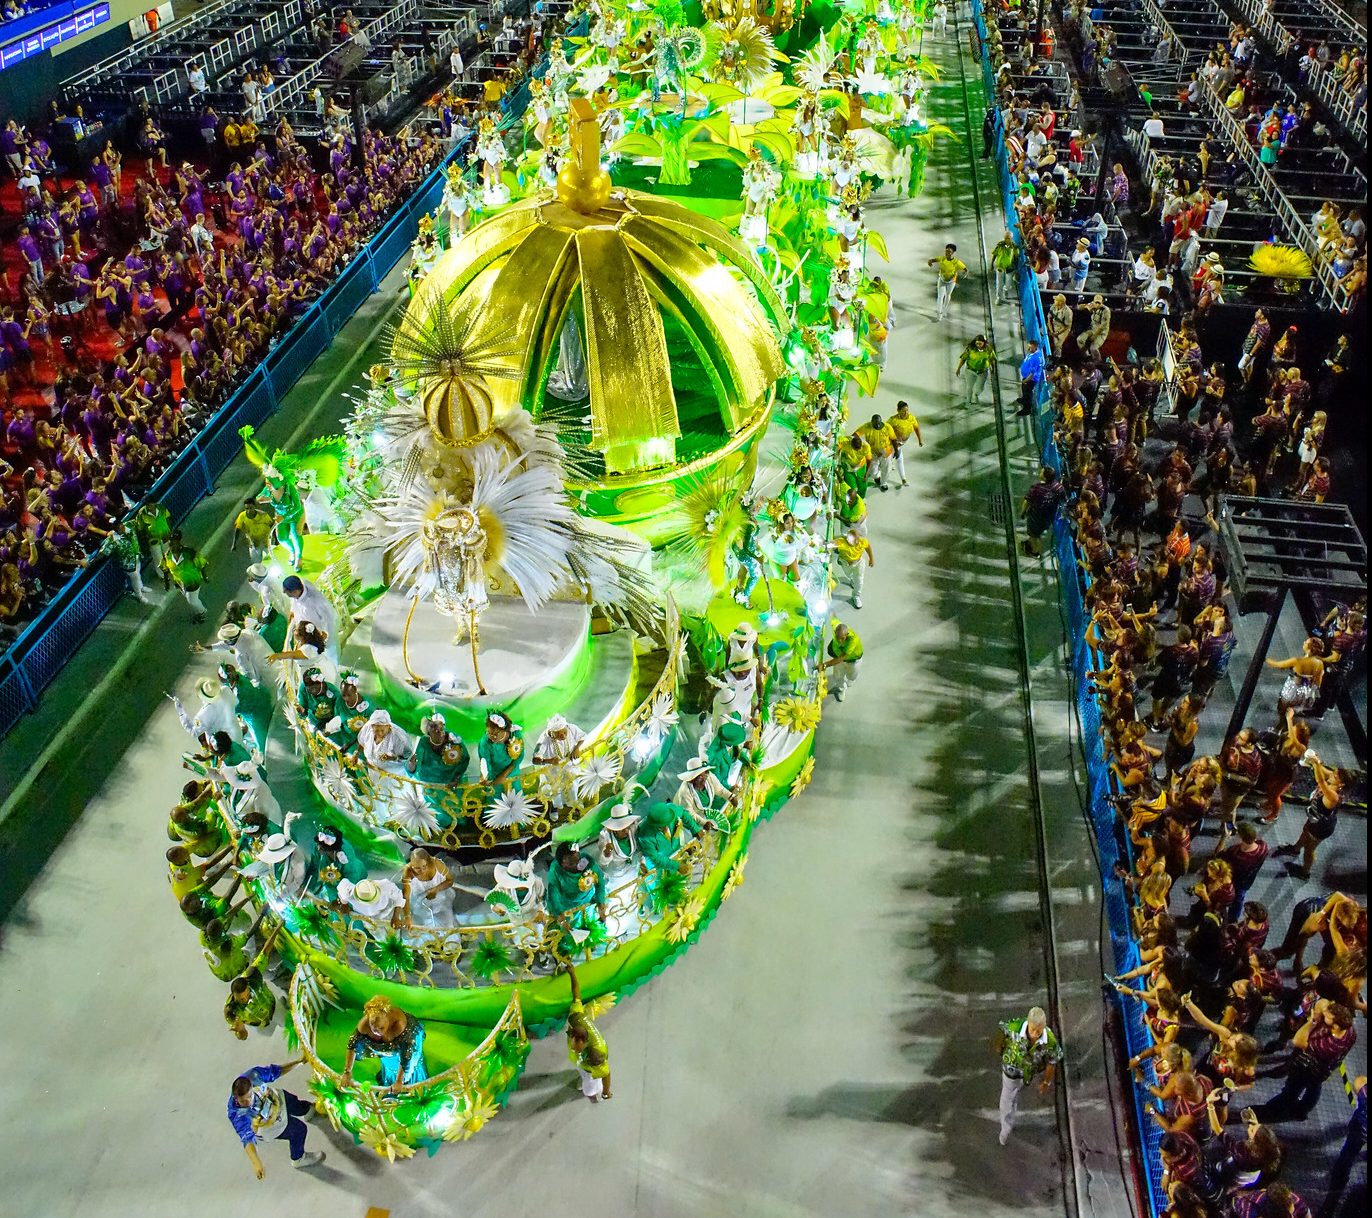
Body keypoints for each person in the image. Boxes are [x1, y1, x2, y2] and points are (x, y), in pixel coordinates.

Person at [1253, 1001, 1357, 1122]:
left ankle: (1270, 1111)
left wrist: (1311, 1023)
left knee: (1291, 1091)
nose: (1324, 1014)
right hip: (1324, 1069)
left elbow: (1297, 1041)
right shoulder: (1350, 1032)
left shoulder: (1329, 1046)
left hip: (1307, 1068)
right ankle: (1303, 1110)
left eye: (1328, 1016)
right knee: (1315, 1086)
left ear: (1336, 1026)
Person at [227, 1060, 324, 1176]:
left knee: (298, 1104)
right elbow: (247, 1139)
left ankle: (308, 1111)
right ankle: (298, 1158)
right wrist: (256, 1163)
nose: (246, 1102)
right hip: (273, 1126)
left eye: (249, 1097)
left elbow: (276, 1071)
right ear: (236, 1097)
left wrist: (300, 1062)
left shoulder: (254, 1076)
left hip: (279, 1100)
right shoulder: (238, 1114)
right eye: (242, 1100)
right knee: (299, 1130)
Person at [995, 1005, 1063, 1145]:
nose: (1035, 1034)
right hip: (1012, 1070)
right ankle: (1006, 1127)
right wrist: (999, 1046)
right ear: (1028, 1023)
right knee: (1007, 1099)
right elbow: (1003, 1029)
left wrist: (1046, 1082)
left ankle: (1012, 1104)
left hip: (1029, 1073)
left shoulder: (1049, 1041)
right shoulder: (1015, 1026)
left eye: (1039, 1031)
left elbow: (1052, 1061)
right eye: (1033, 1030)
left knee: (1015, 1091)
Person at [341, 995, 427, 1091]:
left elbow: (406, 1056)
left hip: (408, 1043)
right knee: (389, 1063)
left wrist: (399, 1082)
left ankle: (412, 1085)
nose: (378, 1032)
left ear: (388, 1020)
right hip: (390, 1053)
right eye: (373, 1028)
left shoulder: (399, 1025)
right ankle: (389, 1081)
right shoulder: (364, 1024)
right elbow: (352, 1045)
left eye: (381, 1028)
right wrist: (347, 1071)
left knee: (410, 1065)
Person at [564, 962, 612, 1101]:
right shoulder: (575, 1017)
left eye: (575, 1045)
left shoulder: (595, 1055)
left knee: (589, 1090)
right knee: (581, 1070)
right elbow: (576, 994)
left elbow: (606, 1074)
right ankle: (584, 1075)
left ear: (584, 1042)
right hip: (582, 1063)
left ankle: (596, 1092)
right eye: (571, 1042)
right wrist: (572, 973)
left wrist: (606, 1092)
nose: (573, 1046)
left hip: (591, 1069)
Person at [1021, 466, 1064, 556]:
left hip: (1035, 519)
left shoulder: (1037, 488)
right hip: (1048, 518)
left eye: (1041, 472)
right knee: (1036, 533)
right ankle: (1031, 541)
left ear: (1044, 477)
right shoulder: (1058, 486)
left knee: (1035, 536)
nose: (1039, 473)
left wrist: (1023, 512)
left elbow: (1026, 501)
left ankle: (1035, 551)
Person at [831, 527, 874, 609]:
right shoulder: (842, 542)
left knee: (859, 580)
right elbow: (830, 544)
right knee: (848, 574)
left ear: (857, 539)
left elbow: (868, 547)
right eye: (848, 540)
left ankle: (856, 596)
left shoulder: (862, 541)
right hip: (846, 563)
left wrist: (871, 559)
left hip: (859, 563)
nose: (850, 542)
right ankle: (852, 579)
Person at [478, 711, 524, 785]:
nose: (491, 737)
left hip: (513, 775)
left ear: (504, 730)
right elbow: (485, 762)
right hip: (494, 778)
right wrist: (484, 776)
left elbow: (520, 756)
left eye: (495, 734)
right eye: (488, 733)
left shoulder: (515, 733)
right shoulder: (485, 742)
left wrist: (504, 775)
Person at [822, 621, 863, 701]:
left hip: (853, 661)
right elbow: (833, 617)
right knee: (837, 675)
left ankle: (850, 681)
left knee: (851, 676)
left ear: (847, 634)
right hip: (839, 659)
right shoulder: (836, 629)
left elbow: (841, 658)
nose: (840, 641)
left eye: (842, 638)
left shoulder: (853, 640)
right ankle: (841, 689)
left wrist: (825, 665)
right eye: (837, 637)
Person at [885, 400, 922, 485]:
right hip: (892, 444)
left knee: (895, 457)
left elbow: (916, 428)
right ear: (898, 411)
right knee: (898, 459)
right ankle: (902, 479)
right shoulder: (893, 420)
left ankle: (890, 466)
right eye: (903, 411)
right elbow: (885, 430)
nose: (906, 413)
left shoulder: (911, 418)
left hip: (901, 443)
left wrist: (919, 440)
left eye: (907, 410)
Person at [927, 243, 968, 320]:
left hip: (951, 281)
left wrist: (965, 274)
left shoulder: (956, 262)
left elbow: (965, 269)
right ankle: (939, 314)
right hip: (942, 280)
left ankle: (944, 309)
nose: (947, 253)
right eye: (946, 251)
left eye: (949, 251)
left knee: (948, 295)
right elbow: (933, 260)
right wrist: (929, 262)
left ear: (953, 252)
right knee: (940, 297)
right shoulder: (942, 258)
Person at [957, 335, 997, 405]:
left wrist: (993, 369)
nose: (978, 345)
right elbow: (963, 358)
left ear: (984, 343)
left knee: (980, 388)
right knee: (969, 387)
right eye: (977, 343)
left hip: (982, 372)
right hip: (970, 371)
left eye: (980, 343)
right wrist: (959, 368)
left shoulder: (989, 349)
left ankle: (976, 394)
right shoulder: (970, 349)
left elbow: (991, 359)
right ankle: (968, 401)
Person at [1016, 340, 1045, 417]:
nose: (1028, 349)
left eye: (1030, 347)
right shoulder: (1032, 353)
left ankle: (1026, 410)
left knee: (1028, 394)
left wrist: (1025, 381)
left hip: (1030, 380)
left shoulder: (1036, 358)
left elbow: (1032, 374)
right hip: (1026, 377)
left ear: (1035, 348)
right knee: (1024, 391)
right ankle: (1023, 400)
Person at [991, 231, 1019, 302]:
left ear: (1011, 238)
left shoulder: (1014, 247)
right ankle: (999, 298)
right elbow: (995, 254)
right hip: (1000, 267)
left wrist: (1016, 269)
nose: (1007, 240)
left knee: (1008, 284)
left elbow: (1016, 257)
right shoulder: (1000, 245)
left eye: (1008, 238)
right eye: (1006, 238)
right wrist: (992, 264)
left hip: (1010, 268)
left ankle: (1005, 289)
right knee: (999, 283)